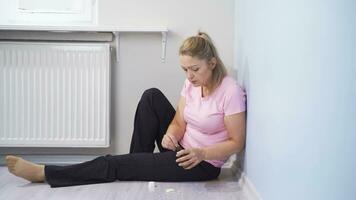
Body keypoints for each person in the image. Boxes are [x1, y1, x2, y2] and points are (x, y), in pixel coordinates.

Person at [5, 31, 246, 188]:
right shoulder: (192, 84)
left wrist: (202, 154)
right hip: (182, 146)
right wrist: (171, 134)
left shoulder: (230, 91)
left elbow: (237, 142)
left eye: (194, 69)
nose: (189, 75)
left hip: (198, 162)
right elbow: (180, 121)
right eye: (185, 70)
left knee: (116, 163)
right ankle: (135, 163)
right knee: (151, 96)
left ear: (212, 64)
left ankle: (46, 173)